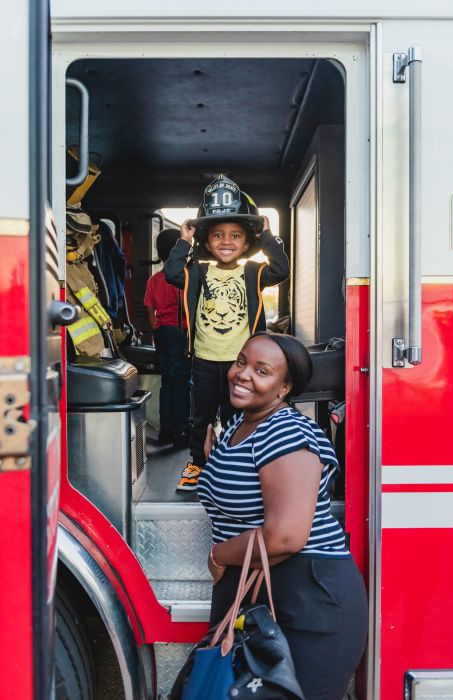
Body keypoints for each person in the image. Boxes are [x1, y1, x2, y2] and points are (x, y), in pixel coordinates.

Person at [197, 332, 368, 700]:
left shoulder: (287, 430)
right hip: (259, 589)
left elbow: (285, 537)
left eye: (262, 371)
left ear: (284, 387)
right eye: (241, 362)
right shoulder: (240, 426)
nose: (242, 374)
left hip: (307, 602)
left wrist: (217, 556)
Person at [165, 174, 290, 490]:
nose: (226, 241)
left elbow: (281, 269)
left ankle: (235, 465)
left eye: (236, 236)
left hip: (241, 362)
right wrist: (184, 240)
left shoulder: (253, 271)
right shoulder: (198, 271)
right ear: (207, 242)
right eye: (218, 235)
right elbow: (170, 273)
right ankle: (197, 465)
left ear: (246, 243)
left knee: (238, 415)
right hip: (206, 360)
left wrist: (265, 235)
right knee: (201, 418)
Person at [144, 228, 191, 448]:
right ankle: (182, 430)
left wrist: (155, 328)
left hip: (161, 332)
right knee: (181, 383)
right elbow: (186, 308)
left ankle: (166, 430)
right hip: (179, 332)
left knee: (167, 383)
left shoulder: (154, 280)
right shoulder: (181, 279)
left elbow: (149, 308)